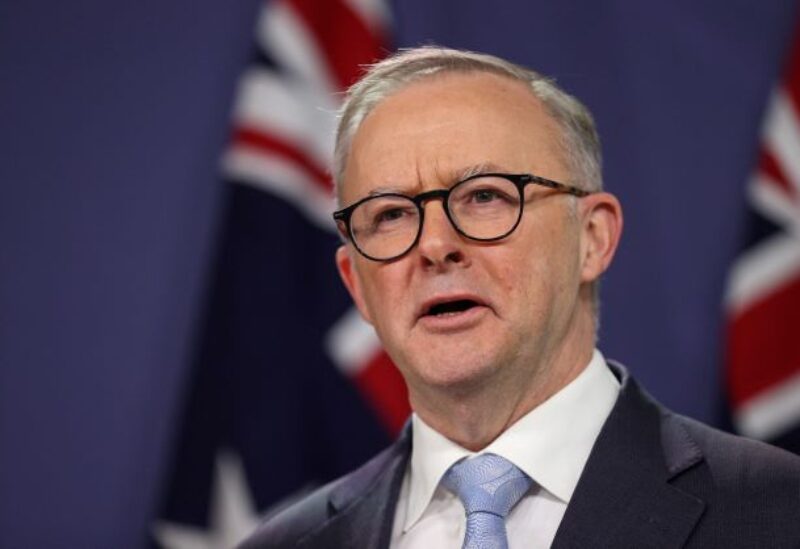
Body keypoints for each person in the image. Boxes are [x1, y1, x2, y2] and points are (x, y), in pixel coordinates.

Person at [240, 47, 800, 549]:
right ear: (357, 284)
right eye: (389, 215)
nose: (435, 245)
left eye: (485, 196)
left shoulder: (778, 514)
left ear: (592, 238)